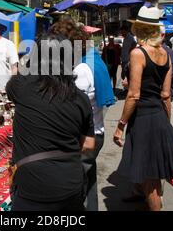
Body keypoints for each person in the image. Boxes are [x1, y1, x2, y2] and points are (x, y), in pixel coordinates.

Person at [6, 33, 95, 211]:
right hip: (70, 182)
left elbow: (15, 80)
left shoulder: (19, 86)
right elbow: (89, 145)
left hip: (31, 184)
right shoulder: (81, 98)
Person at [113, 6, 173, 211]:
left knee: (150, 178)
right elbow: (166, 94)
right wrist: (166, 120)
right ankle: (141, 196)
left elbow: (133, 94)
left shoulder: (138, 53)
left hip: (143, 119)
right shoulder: (166, 53)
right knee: (148, 170)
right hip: (157, 115)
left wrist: (120, 125)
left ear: (140, 28)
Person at [49, 19, 115, 211]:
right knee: (88, 184)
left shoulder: (81, 69)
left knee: (75, 191)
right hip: (94, 133)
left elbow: (69, 110)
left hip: (85, 137)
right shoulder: (90, 60)